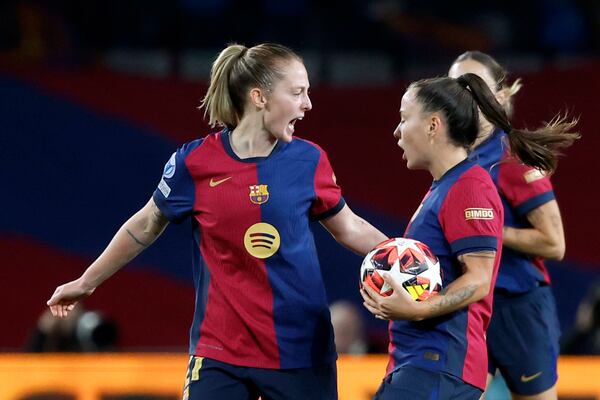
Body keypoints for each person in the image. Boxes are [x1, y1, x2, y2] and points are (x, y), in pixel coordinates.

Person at [46, 43, 388, 400]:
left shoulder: (309, 159)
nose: (308, 104)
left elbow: (350, 227)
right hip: (220, 352)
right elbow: (146, 224)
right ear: (260, 97)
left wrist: (408, 256)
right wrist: (87, 281)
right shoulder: (193, 163)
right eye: (298, 92)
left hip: (300, 349)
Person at [361, 71, 577, 400]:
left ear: (433, 125)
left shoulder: (469, 187)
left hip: (440, 364)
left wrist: (418, 309)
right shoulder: (446, 187)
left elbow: (479, 279)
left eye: (404, 119)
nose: (396, 132)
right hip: (423, 362)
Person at [448, 50, 580, 400]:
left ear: (501, 97)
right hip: (473, 306)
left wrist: (486, 232)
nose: (466, 95)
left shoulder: (513, 158)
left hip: (518, 307)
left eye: (476, 86)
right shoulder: (454, 159)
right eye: (458, 86)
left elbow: (554, 243)